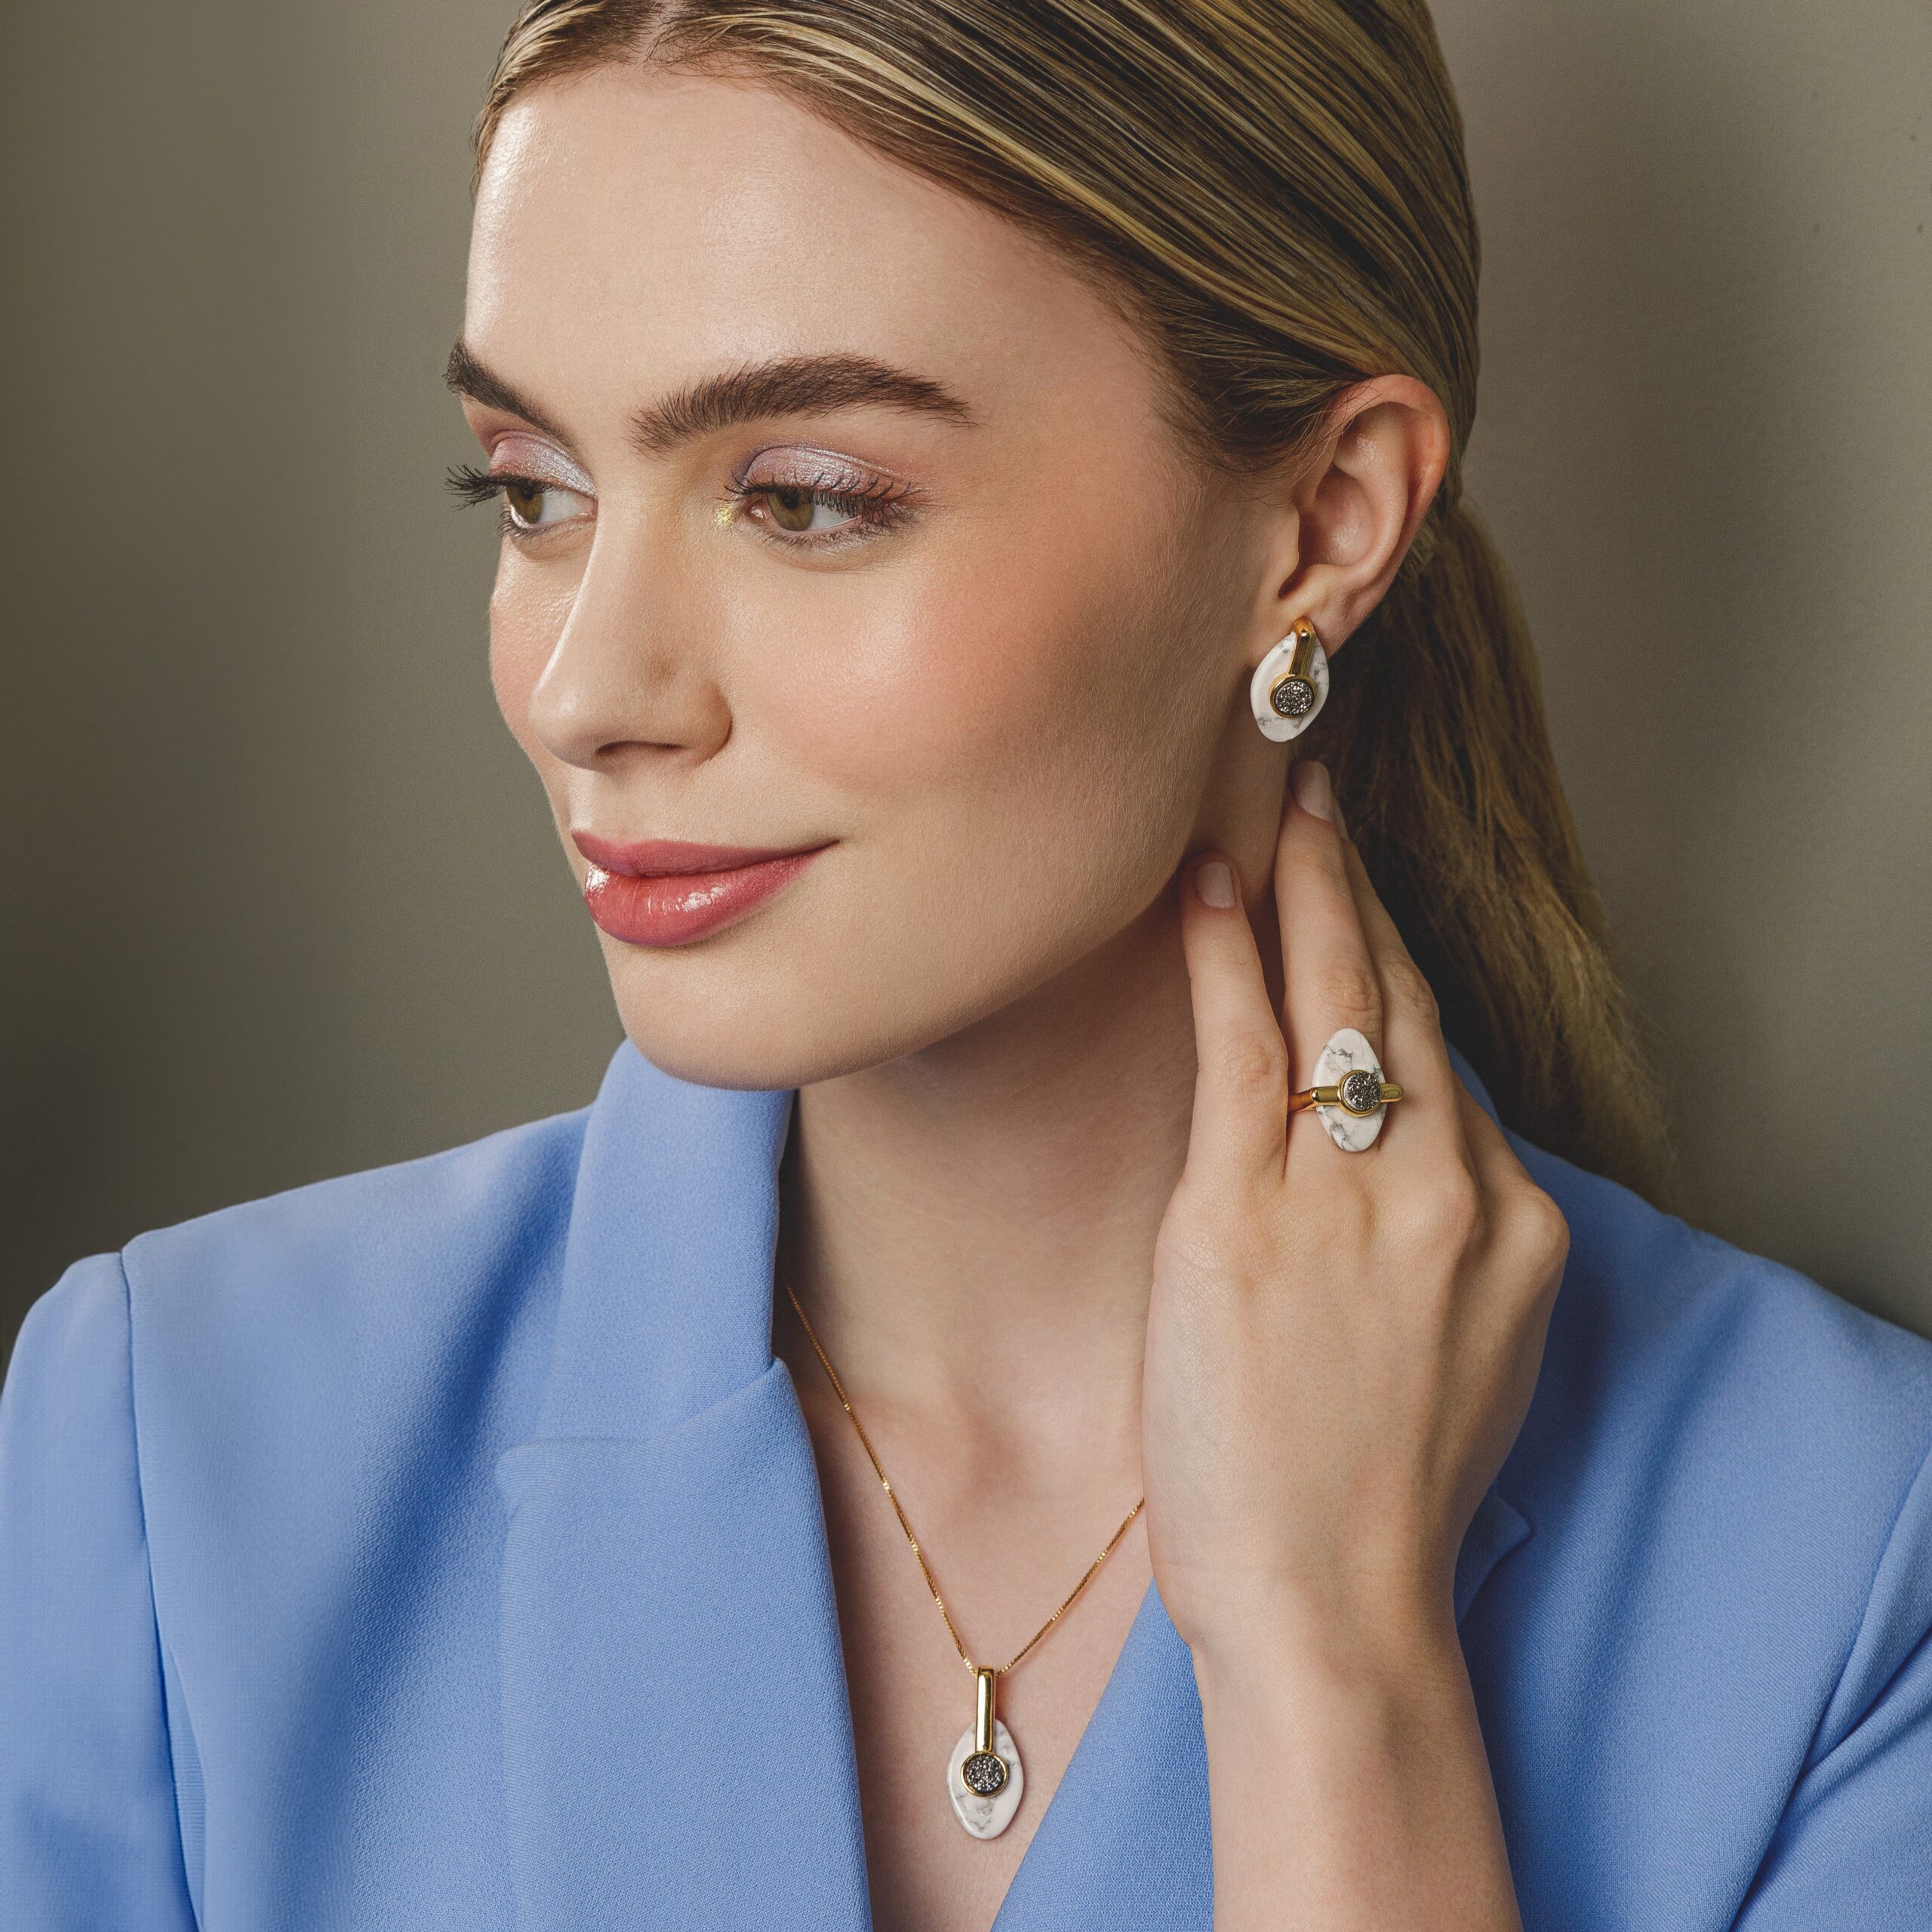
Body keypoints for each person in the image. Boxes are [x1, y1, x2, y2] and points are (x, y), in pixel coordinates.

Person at [4, 2, 1929, 1927]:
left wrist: (1333, 1671)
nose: (586, 690)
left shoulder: (1849, 1581)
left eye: (805, 499)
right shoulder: (168, 1459)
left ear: (1323, 521)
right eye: (532, 488)